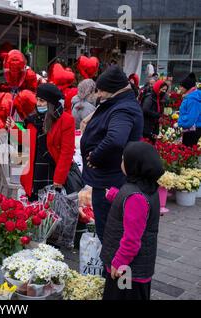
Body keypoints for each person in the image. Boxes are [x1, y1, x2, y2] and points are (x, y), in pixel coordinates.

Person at [80, 66, 144, 243]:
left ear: (113, 89)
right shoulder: (120, 103)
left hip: (110, 179)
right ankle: (110, 266)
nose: (99, 94)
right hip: (108, 177)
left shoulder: (124, 108)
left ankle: (110, 269)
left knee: (108, 231)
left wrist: (95, 156)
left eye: (101, 90)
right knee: (108, 229)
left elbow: (115, 140)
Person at [101, 141, 164, 300]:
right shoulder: (146, 187)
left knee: (122, 296)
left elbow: (132, 239)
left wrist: (119, 262)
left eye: (124, 160)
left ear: (134, 165)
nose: (121, 162)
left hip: (128, 271)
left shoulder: (135, 198)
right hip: (132, 268)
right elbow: (137, 211)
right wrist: (116, 195)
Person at [7, 83, 76, 201]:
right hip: (34, 172)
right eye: (37, 99)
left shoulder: (66, 120)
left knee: (50, 210)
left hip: (52, 172)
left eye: (42, 101)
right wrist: (13, 128)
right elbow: (27, 140)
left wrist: (59, 179)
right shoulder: (33, 119)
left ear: (51, 102)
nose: (38, 103)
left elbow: (67, 153)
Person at [178, 73, 201, 147]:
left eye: (181, 86)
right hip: (191, 129)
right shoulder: (190, 96)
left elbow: (191, 118)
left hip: (192, 131)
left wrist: (180, 121)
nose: (180, 88)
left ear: (186, 87)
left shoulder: (192, 99)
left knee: (188, 153)